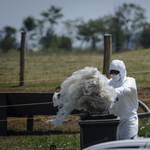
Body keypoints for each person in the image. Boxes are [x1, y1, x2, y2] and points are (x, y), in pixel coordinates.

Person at [109, 59, 139, 140]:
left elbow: (125, 89)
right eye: (112, 73)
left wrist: (110, 92)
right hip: (114, 121)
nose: (114, 75)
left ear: (122, 71)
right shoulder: (110, 83)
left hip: (128, 120)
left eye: (116, 72)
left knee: (129, 145)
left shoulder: (130, 81)